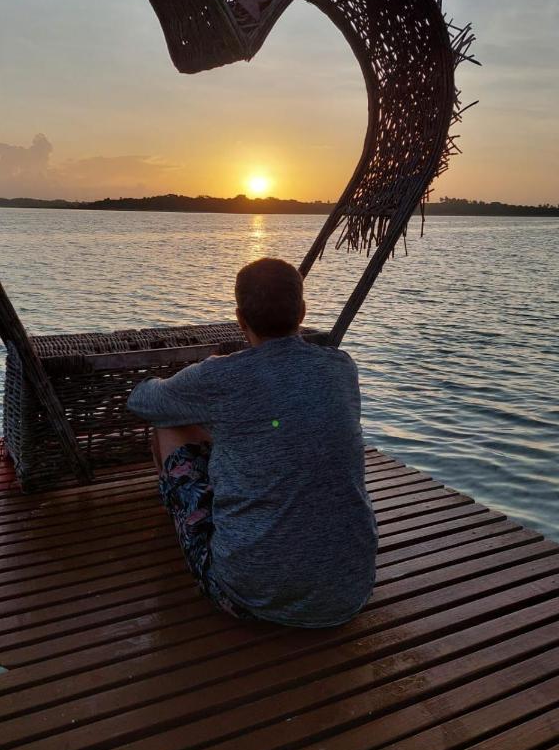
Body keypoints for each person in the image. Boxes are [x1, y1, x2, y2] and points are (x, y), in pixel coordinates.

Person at [127, 257, 378, 627]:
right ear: (302, 312)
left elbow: (141, 402)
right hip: (349, 591)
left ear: (240, 319)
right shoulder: (340, 367)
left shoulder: (220, 375)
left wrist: (183, 382)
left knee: (168, 425)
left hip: (250, 595)